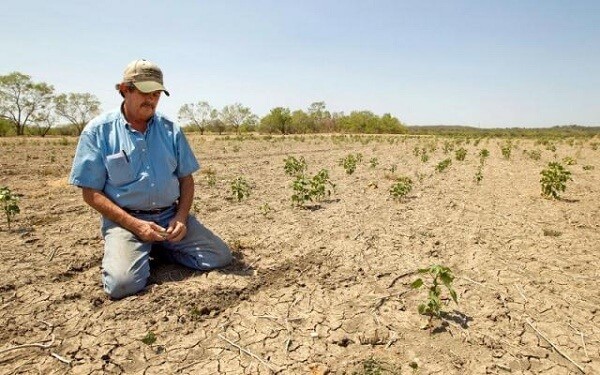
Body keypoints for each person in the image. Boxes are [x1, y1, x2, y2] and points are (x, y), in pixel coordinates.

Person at [69, 59, 232, 299]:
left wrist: (181, 217)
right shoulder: (98, 131)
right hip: (127, 222)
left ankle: (161, 247)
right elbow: (90, 193)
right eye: (145, 92)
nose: (151, 99)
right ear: (125, 90)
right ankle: (136, 249)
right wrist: (136, 226)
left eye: (157, 93)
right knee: (122, 285)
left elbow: (186, 180)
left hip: (169, 217)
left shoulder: (171, 129)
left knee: (220, 257)